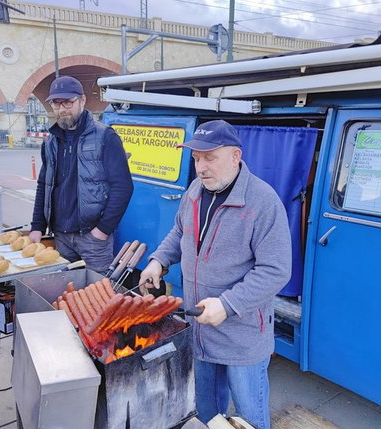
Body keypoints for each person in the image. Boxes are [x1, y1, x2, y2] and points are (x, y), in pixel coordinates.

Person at [139, 120, 292, 429]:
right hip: (201, 327)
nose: (201, 167)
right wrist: (158, 261)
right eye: (196, 158)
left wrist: (227, 304)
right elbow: (180, 232)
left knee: (250, 418)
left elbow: (276, 270)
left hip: (243, 335)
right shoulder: (195, 191)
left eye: (210, 157)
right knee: (208, 415)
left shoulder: (263, 202)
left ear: (235, 156)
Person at [29, 76, 133, 274]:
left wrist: (102, 230)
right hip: (61, 236)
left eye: (68, 102)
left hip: (92, 238)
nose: (62, 109)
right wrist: (37, 226)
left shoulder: (105, 137)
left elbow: (123, 187)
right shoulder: (50, 142)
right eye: (56, 103)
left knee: (99, 296)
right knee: (67, 292)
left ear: (82, 101)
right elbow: (44, 184)